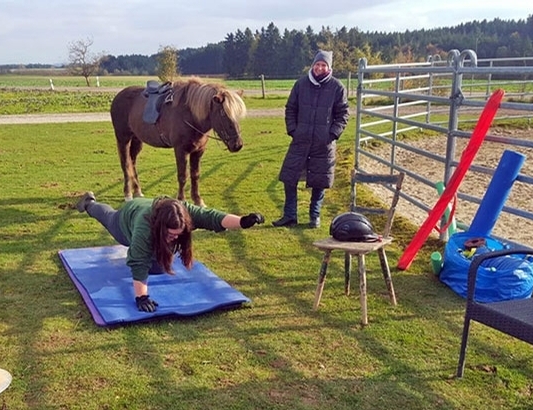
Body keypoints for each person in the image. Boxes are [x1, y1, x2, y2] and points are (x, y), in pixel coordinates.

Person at [76, 192, 264, 312]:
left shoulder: (184, 212)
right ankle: (90, 203)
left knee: (158, 269)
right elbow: (138, 261)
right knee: (108, 217)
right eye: (171, 234)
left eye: (178, 234)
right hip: (126, 219)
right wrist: (141, 296)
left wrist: (243, 221)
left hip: (151, 214)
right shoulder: (144, 227)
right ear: (160, 227)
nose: (175, 238)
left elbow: (212, 217)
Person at [272, 50, 350, 229]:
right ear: (313, 65)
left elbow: (343, 114)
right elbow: (290, 108)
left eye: (323, 65)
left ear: (329, 67)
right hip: (300, 140)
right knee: (289, 177)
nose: (320, 68)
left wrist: (332, 135)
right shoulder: (301, 84)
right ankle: (290, 215)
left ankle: (314, 216)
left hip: (324, 143)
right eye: (317, 64)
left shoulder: (337, 87)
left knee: (319, 181)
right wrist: (293, 130)